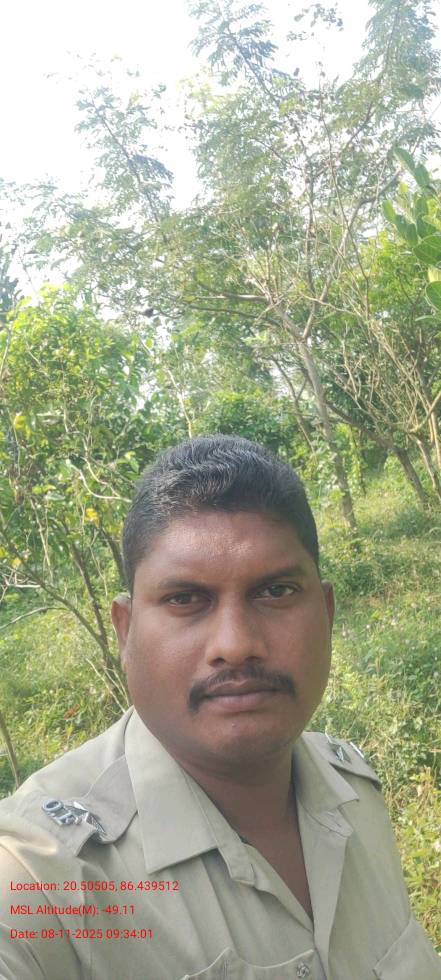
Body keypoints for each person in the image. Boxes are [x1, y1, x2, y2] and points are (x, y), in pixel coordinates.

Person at [0, 434, 439, 980]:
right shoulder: (44, 879)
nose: (235, 644)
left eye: (276, 592)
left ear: (326, 613)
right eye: (186, 599)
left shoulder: (358, 793)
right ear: (126, 631)